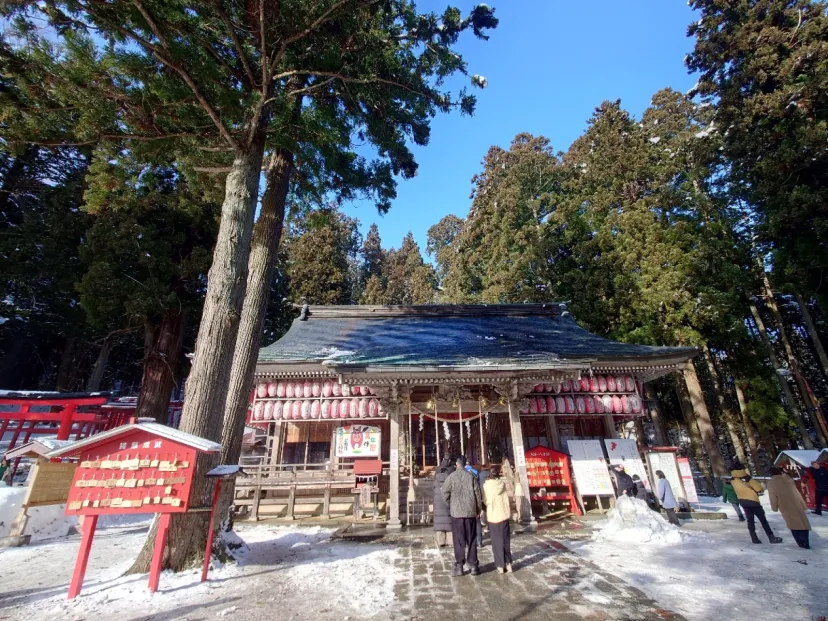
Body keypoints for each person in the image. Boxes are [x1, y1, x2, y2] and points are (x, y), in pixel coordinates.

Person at [442, 456, 483, 577]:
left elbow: (444, 492)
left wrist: (450, 504)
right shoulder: (471, 477)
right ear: (465, 465)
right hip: (470, 513)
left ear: (456, 464)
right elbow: (477, 494)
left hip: (457, 514)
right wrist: (478, 510)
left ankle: (459, 566)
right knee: (471, 540)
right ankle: (474, 566)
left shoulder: (451, 477)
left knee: (459, 541)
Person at [730, 460, 782, 544]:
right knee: (763, 520)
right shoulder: (747, 478)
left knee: (750, 520)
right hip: (753, 501)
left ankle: (754, 538)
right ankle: (771, 537)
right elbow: (759, 488)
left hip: (742, 501)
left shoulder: (733, 479)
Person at [767, 466, 811, 549]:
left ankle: (801, 543)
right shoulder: (788, 479)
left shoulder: (771, 483)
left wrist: (774, 507)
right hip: (797, 503)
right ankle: (805, 541)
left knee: (793, 525)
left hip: (785, 505)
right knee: (803, 523)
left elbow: (773, 497)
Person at [483, 465, 513, 574]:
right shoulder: (502, 484)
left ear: (489, 474)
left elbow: (487, 501)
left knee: (496, 542)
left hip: (494, 516)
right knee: (505, 541)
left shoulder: (487, 486)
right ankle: (508, 564)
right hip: (504, 514)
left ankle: (500, 565)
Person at [433, 456, 453, 547]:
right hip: (447, 500)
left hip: (438, 501)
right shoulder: (450, 479)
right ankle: (450, 541)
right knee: (449, 520)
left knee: (439, 521)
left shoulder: (436, 480)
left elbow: (433, 489)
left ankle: (440, 541)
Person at [464, 461, 484, 547]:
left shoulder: (463, 472)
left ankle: (470, 540)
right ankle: (479, 540)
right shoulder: (475, 472)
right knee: (477, 521)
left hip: (466, 499)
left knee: (468, 521)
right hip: (475, 498)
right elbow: (478, 486)